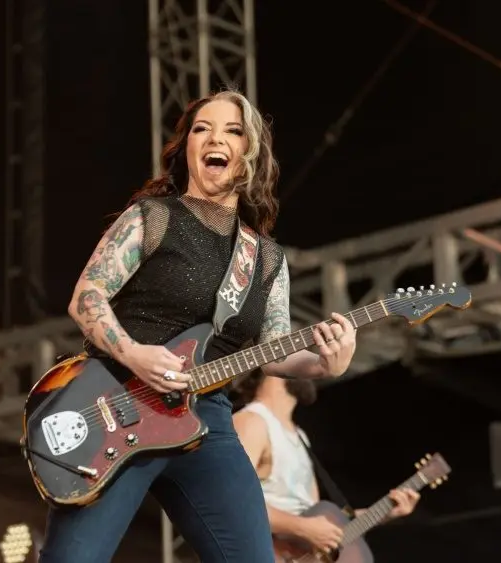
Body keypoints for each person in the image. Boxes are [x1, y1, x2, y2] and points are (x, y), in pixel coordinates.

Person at [38, 89, 360, 563]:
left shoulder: (266, 258)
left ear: (249, 154)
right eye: (202, 128)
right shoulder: (152, 218)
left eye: (233, 130)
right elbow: (87, 295)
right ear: (186, 146)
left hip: (207, 421)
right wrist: (133, 353)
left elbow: (274, 352)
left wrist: (325, 364)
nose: (216, 138)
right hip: (119, 401)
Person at [232, 370, 422, 555]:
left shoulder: (299, 436)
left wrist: (384, 513)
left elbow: (316, 520)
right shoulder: (252, 421)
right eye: (303, 359)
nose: (314, 370)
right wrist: (303, 528)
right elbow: (230, 501)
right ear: (276, 363)